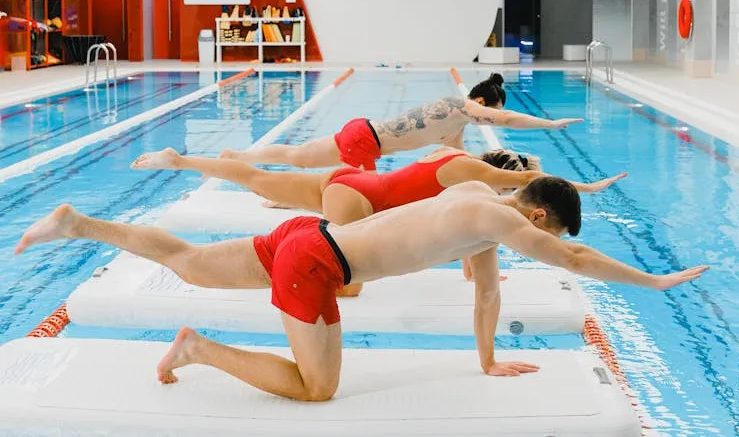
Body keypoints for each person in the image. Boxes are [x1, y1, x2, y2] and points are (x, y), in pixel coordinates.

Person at [15, 177, 708, 402]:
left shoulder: (475, 200)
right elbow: (577, 258)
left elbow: (487, 296)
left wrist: (488, 360)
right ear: (537, 216)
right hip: (315, 268)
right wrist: (654, 280)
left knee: (191, 262)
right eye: (544, 234)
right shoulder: (502, 221)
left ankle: (78, 223)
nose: (543, 245)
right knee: (317, 390)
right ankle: (198, 350)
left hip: (305, 235)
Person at [131, 146, 627, 296]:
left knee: (260, 177)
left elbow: (468, 241)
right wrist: (587, 188)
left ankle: (181, 160)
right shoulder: (483, 183)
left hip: (353, 181)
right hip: (359, 206)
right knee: (348, 283)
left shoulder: (458, 169)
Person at [218, 74, 583, 171]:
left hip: (363, 134)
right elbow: (506, 118)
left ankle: (237, 157)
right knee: (361, 207)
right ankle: (278, 196)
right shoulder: (459, 105)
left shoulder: (456, 125)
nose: (492, 120)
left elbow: (458, 158)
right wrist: (549, 126)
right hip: (365, 142)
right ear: (482, 102)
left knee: (298, 156)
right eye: (491, 111)